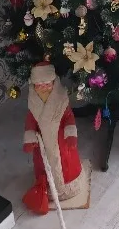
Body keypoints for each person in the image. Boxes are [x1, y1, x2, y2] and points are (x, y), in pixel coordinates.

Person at [22, 62, 83, 215]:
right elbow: (30, 122)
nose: (43, 88)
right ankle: (48, 186)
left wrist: (71, 134)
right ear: (33, 85)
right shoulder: (33, 105)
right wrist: (30, 139)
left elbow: (68, 118)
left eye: (47, 84)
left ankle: (69, 185)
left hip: (61, 141)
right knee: (44, 165)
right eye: (39, 85)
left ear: (54, 83)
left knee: (65, 162)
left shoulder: (62, 102)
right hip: (43, 145)